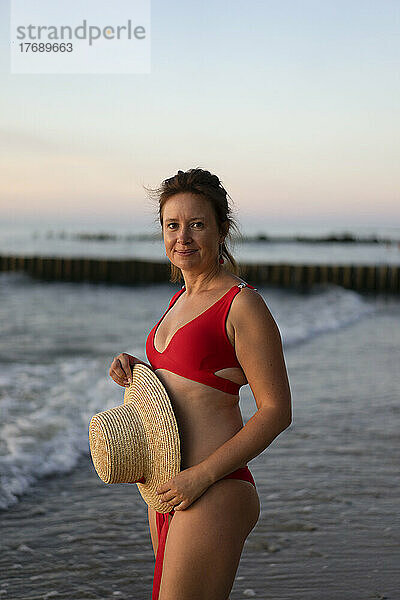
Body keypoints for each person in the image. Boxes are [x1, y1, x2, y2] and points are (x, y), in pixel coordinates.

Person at [109, 168, 292, 600]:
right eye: (172, 225)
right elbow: (186, 384)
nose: (183, 237)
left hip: (215, 485)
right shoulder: (178, 300)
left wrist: (202, 477)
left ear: (221, 229)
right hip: (167, 485)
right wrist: (136, 369)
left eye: (197, 224)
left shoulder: (241, 304)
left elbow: (277, 411)